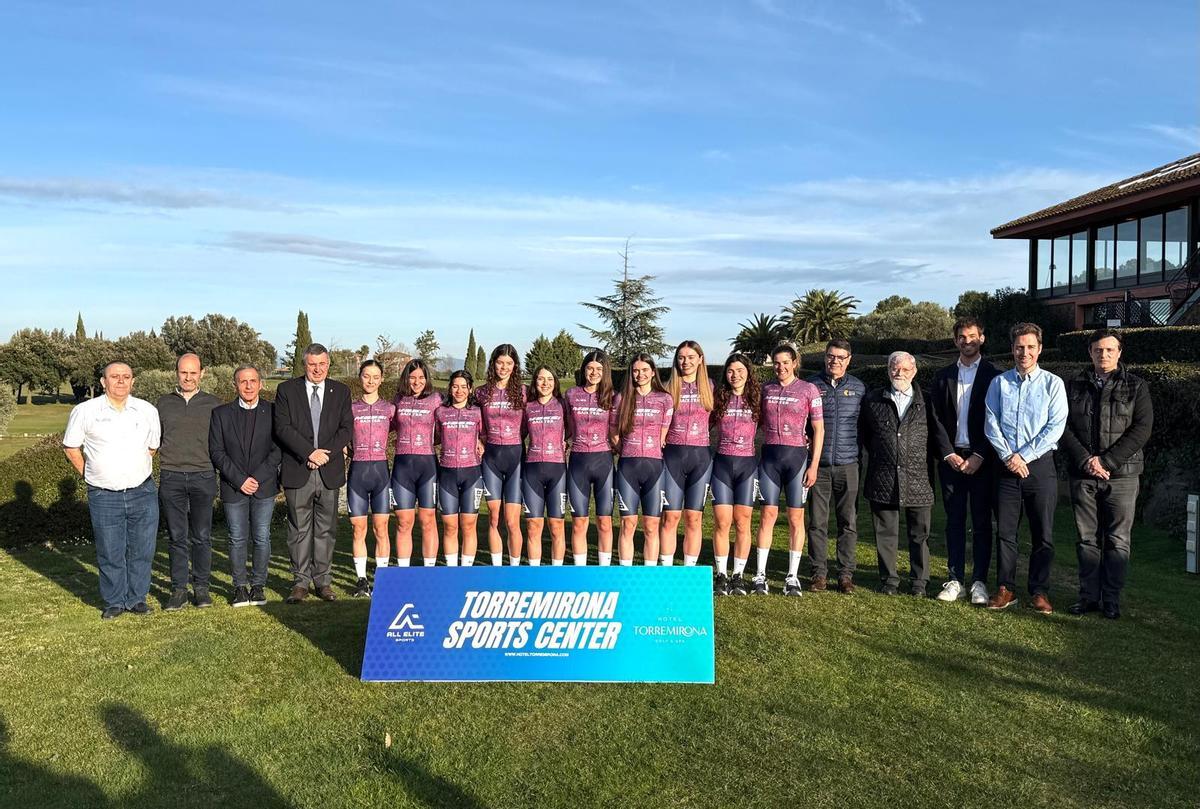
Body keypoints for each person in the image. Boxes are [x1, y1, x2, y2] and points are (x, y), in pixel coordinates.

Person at [1059, 329, 1153, 620]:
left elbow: (1141, 429)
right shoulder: (1074, 385)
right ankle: (1088, 597)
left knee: (1117, 539)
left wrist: (1108, 461)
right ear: (1090, 352)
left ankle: (1111, 599)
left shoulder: (1136, 386)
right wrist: (1087, 460)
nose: (1104, 355)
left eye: (1110, 350)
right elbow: (1062, 426)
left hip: (1122, 475)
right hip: (1083, 473)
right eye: (1099, 350)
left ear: (1119, 352)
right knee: (1087, 538)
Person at [62, 361, 161, 620]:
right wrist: (90, 474)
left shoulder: (147, 410)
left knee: (143, 549)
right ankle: (115, 601)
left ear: (133, 381)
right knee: (110, 550)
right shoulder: (85, 411)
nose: (120, 381)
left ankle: (137, 598)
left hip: (142, 491)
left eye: (126, 377)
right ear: (103, 382)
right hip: (104, 495)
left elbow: (152, 447)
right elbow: (71, 447)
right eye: (114, 377)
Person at [984, 323, 1068, 614]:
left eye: (1031, 347)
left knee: (1042, 533)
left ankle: (1039, 590)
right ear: (1012, 349)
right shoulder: (999, 383)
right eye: (1020, 347)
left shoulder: (1053, 384)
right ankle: (1006, 588)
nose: (1025, 352)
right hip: (1006, 468)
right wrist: (1010, 457)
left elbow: (1055, 427)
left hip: (1040, 467)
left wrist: (1025, 456)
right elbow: (991, 423)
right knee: (1006, 532)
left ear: (1040, 349)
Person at [927, 318, 1001, 605]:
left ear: (981, 338)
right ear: (955, 340)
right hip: (952, 459)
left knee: (982, 522)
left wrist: (980, 455)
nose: (966, 341)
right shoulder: (943, 375)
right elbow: (936, 419)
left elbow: (996, 419)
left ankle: (979, 580)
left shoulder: (995, 375)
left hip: (983, 459)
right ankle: (955, 578)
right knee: (954, 521)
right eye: (961, 336)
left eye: (972, 336)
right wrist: (948, 454)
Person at [273, 343, 354, 603]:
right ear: (304, 365)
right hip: (299, 469)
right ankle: (300, 583)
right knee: (298, 528)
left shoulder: (341, 391)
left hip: (329, 470)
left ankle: (323, 582)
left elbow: (346, 429)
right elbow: (282, 428)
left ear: (328, 364)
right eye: (312, 364)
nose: (317, 369)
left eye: (322, 364)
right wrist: (309, 452)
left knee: (326, 528)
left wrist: (323, 454)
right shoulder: (286, 390)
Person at [860, 352, 935, 596]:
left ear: (914, 372)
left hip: (919, 477)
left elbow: (935, 439)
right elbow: (866, 436)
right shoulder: (872, 400)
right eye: (894, 368)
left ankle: (919, 582)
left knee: (919, 534)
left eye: (904, 369)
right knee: (885, 533)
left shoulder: (928, 401)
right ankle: (889, 580)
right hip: (883, 476)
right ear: (888, 371)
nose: (899, 373)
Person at [754, 344, 824, 596]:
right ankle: (760, 575)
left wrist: (813, 465)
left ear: (794, 363)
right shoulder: (766, 389)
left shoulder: (808, 389)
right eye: (776, 362)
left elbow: (818, 429)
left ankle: (792, 577)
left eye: (785, 362)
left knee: (796, 519)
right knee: (767, 516)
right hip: (770, 459)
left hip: (797, 460)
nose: (780, 367)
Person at [208, 365, 280, 607]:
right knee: (237, 538)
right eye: (243, 381)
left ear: (261, 383)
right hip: (233, 487)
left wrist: (257, 477)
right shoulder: (221, 414)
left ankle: (258, 586)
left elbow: (277, 449)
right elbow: (217, 452)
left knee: (261, 537)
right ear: (235, 385)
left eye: (252, 381)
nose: (248, 386)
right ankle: (239, 587)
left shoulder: (273, 412)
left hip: (264, 485)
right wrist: (239, 480)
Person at [155, 353, 221, 610]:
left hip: (203, 475)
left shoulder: (213, 404)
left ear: (201, 374)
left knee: (202, 536)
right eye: (184, 372)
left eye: (193, 372)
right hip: (171, 477)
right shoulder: (162, 404)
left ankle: (201, 589)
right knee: (176, 536)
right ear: (176, 373)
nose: (188, 377)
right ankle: (178, 589)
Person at [805, 338, 865, 594]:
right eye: (831, 356)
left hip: (848, 464)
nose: (835, 361)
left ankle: (845, 575)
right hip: (818, 466)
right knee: (817, 522)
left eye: (841, 357)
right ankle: (818, 574)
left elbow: (865, 427)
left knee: (848, 522)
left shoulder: (860, 388)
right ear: (825, 357)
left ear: (848, 360)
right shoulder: (810, 386)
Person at [610, 353, 674, 566]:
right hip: (628, 466)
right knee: (628, 523)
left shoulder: (664, 399)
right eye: (636, 370)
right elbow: (613, 433)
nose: (640, 374)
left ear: (653, 372)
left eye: (645, 370)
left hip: (654, 466)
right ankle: (625, 573)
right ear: (631, 373)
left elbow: (664, 433)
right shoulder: (622, 398)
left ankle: (650, 574)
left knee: (651, 525)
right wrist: (625, 448)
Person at [659, 340, 714, 567]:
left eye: (691, 357)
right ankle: (666, 568)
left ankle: (688, 570)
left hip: (701, 458)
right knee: (670, 516)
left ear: (700, 359)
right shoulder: (667, 388)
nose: (686, 362)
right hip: (672, 457)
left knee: (694, 518)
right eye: (681, 357)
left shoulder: (710, 387)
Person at [710, 353, 761, 596]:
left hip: (747, 466)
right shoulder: (718, 398)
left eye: (740, 370)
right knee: (722, 522)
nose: (735, 375)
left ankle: (738, 575)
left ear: (748, 372)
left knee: (742, 522)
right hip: (721, 465)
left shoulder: (758, 399)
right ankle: (721, 574)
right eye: (731, 371)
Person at [347, 360, 395, 598]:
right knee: (358, 528)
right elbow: (341, 435)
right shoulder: (351, 408)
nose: (371, 381)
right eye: (367, 376)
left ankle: (383, 578)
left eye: (376, 377)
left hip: (380, 472)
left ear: (382, 379)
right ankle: (361, 580)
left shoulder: (390, 409)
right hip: (357, 472)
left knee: (381, 528)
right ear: (360, 377)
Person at [474, 345, 526, 565]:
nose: (504, 367)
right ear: (493, 364)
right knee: (494, 518)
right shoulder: (481, 392)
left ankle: (514, 570)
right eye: (500, 363)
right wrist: (478, 440)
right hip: (491, 458)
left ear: (515, 367)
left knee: (512, 521)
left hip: (516, 457)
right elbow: (473, 422)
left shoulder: (524, 392)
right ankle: (497, 569)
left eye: (508, 363)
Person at [564, 350, 616, 565]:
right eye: (590, 368)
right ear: (584, 369)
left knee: (604, 521)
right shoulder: (571, 394)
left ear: (605, 372)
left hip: (603, 461)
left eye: (599, 369)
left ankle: (604, 572)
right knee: (579, 522)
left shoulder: (613, 397)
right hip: (578, 461)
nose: (594, 373)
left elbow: (616, 429)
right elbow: (566, 425)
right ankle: (579, 572)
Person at [391, 358, 441, 568]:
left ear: (427, 378)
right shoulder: (398, 399)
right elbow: (386, 425)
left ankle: (428, 571)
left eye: (421, 377)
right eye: (412, 377)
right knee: (404, 522)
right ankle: (404, 572)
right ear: (406, 378)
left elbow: (445, 428)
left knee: (428, 520)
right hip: (402, 466)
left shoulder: (436, 399)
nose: (416, 381)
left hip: (427, 465)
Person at [436, 370, 485, 566]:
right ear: (450, 388)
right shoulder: (440, 412)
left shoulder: (477, 412)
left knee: (469, 525)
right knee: (449, 525)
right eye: (455, 386)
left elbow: (486, 434)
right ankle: (451, 571)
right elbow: (436, 436)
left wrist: (481, 442)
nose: (459, 390)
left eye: (464, 386)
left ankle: (466, 571)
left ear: (470, 389)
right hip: (447, 473)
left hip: (471, 473)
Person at [523, 366, 568, 566]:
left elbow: (575, 429)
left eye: (550, 379)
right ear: (535, 382)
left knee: (556, 525)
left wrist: (567, 441)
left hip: (557, 469)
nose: (545, 383)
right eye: (541, 379)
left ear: (555, 382)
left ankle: (556, 574)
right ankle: (535, 574)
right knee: (533, 524)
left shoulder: (563, 405)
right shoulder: (528, 407)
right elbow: (518, 434)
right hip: (532, 469)